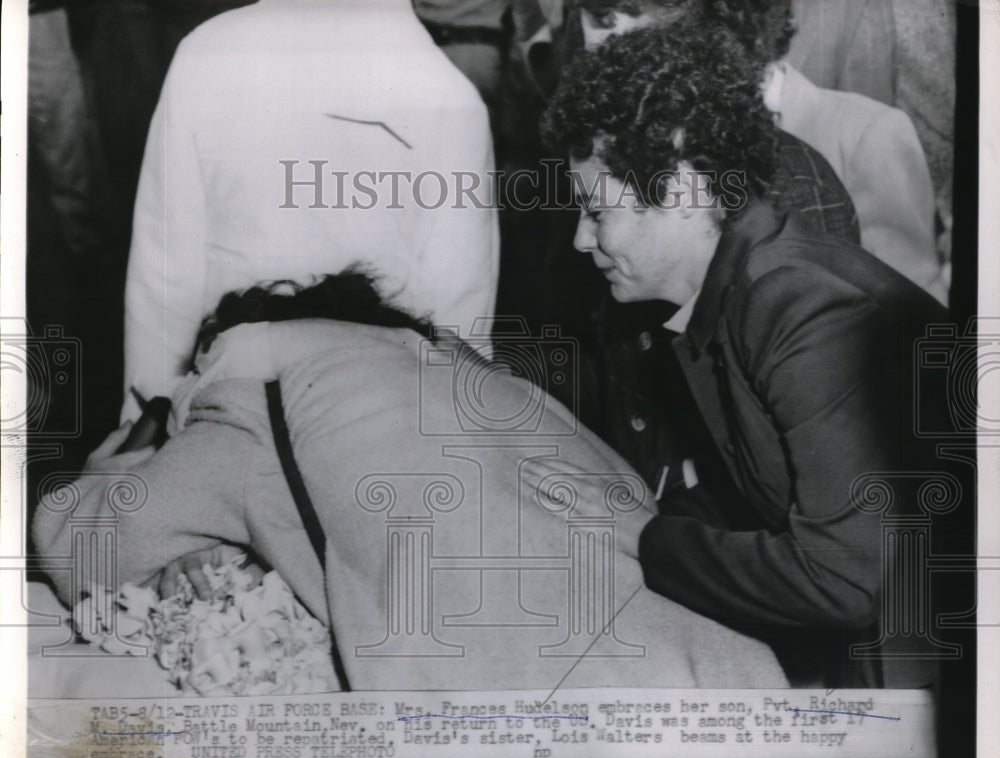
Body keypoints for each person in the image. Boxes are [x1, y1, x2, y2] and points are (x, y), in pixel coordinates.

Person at [33, 270, 787, 696]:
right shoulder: (484, 380)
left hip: (545, 723)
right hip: (731, 676)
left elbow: (85, 551)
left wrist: (116, 461)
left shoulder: (256, 397)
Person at [542, 23, 947, 687]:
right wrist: (621, 514)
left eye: (597, 212)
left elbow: (842, 579)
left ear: (684, 189)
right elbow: (763, 509)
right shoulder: (737, 294)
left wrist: (636, 539)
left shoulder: (801, 306)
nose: (583, 240)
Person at [121, 0, 499, 423]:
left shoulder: (206, 54)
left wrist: (143, 426)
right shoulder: (450, 95)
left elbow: (165, 275)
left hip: (226, 404)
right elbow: (461, 315)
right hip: (382, 411)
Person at [573, 0, 946, 305]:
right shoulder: (625, 152)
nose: (607, 42)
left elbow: (906, 312)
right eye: (598, 17)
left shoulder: (854, 140)